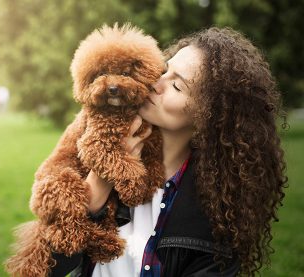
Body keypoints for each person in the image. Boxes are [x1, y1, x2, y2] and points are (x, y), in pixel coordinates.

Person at [49, 27, 288, 277]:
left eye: (176, 85)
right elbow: (45, 268)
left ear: (208, 115)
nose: (156, 84)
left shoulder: (218, 212)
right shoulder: (97, 148)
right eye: (164, 70)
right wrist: (98, 183)